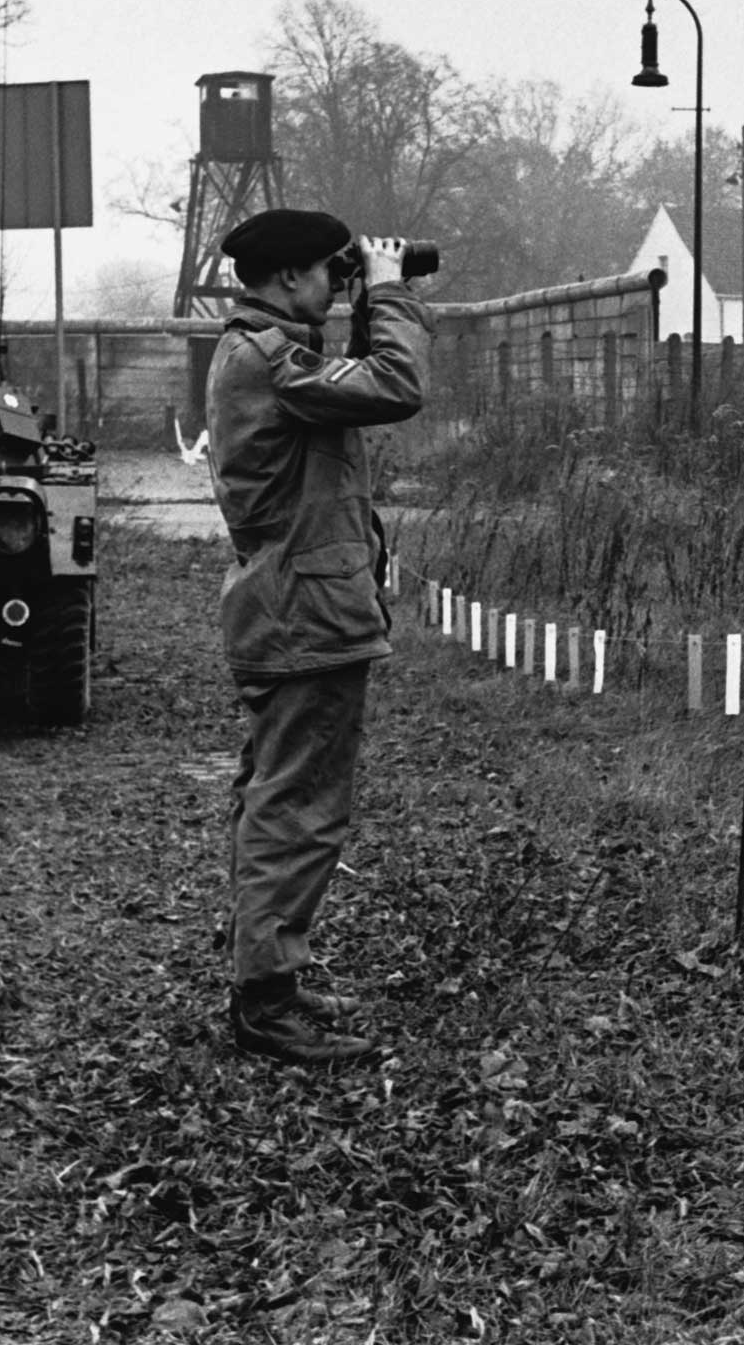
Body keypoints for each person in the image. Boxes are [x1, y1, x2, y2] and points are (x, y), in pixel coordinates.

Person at [208, 208, 431, 1065]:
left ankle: (271, 975)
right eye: (330, 277)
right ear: (294, 279)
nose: (336, 289)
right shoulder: (272, 359)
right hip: (304, 616)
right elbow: (397, 386)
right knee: (298, 809)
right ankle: (264, 1001)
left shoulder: (262, 352)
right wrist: (389, 293)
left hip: (293, 607)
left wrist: (373, 296)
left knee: (281, 797)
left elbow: (364, 378)